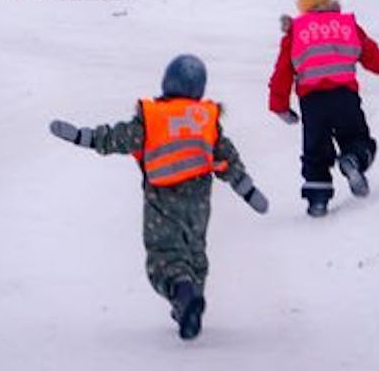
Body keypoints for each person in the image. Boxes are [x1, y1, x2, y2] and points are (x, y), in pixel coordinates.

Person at [49, 54, 268, 340]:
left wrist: (81, 136)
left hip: (162, 200)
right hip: (198, 202)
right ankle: (190, 304)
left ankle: (184, 297)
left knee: (165, 254)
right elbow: (227, 157)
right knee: (194, 252)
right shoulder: (205, 119)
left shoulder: (153, 118)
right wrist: (247, 189)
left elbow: (117, 138)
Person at [267, 0, 379, 217]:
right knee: (357, 138)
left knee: (315, 152)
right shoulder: (346, 26)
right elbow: (375, 57)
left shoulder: (295, 32)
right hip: (345, 98)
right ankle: (353, 159)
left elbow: (282, 73)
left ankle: (318, 200)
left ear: (302, 3)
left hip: (313, 104)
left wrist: (279, 106)